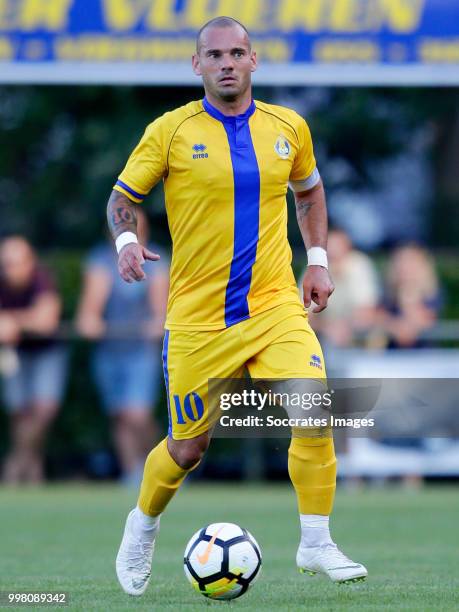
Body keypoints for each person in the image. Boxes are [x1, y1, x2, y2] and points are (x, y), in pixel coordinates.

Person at [108, 17, 367, 596]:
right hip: (198, 320)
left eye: (237, 52)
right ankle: (142, 525)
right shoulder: (171, 131)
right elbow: (123, 198)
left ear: (254, 60)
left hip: (274, 306)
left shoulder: (288, 127)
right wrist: (127, 243)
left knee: (315, 413)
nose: (226, 62)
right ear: (196, 65)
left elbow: (310, 191)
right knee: (186, 448)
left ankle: (316, 541)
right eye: (214, 54)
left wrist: (318, 259)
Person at [76, 207, 168, 484]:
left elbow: (160, 312)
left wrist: (156, 324)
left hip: (141, 350)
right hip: (109, 349)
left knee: (137, 413)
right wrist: (90, 322)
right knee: (118, 414)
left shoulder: (156, 259)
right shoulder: (100, 261)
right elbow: (88, 314)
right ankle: (132, 474)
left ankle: (163, 469)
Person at [0, 236, 67, 483]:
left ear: (30, 262)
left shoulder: (42, 280)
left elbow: (46, 321)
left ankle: (15, 465)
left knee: (44, 409)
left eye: (15, 263)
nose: (10, 269)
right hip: (14, 354)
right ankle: (32, 472)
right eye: (6, 264)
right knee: (19, 413)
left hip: (46, 353)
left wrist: (12, 321)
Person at [306, 228, 380, 349]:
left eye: (337, 246)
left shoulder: (358, 265)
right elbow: (305, 314)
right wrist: (327, 327)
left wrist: (343, 327)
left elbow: (366, 313)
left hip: (358, 339)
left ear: (348, 248)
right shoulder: (315, 268)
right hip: (324, 339)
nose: (333, 252)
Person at [379, 244, 441, 348]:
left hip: (424, 356)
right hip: (392, 357)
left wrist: (407, 299)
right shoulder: (388, 294)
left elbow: (424, 323)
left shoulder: (431, 294)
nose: (404, 268)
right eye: (401, 262)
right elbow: (375, 317)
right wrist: (394, 326)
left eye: (410, 263)